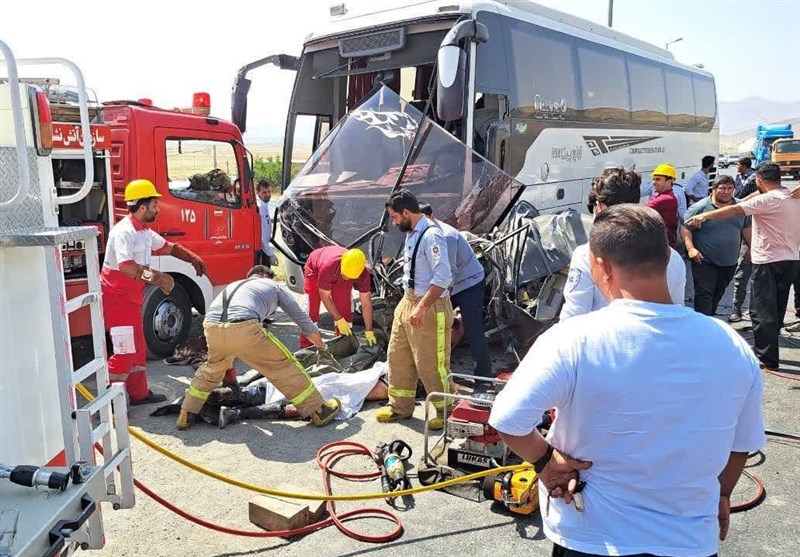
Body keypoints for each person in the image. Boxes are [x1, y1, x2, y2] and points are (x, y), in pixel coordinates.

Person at [490, 204, 765, 557]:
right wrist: (722, 495)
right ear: (667, 259)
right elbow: (741, 443)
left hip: (591, 536)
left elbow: (508, 419)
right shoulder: (731, 345)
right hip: (688, 540)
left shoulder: (573, 339)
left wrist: (546, 462)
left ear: (602, 267)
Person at [176, 265, 341, 429]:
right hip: (244, 326)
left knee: (211, 370)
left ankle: (186, 413)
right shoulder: (273, 286)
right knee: (283, 366)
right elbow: (302, 319)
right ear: (265, 276)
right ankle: (319, 410)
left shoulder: (232, 286)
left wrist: (231, 381)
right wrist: (322, 347)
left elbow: (229, 343)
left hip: (211, 328)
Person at [686, 163, 800, 372]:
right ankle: (769, 352)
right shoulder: (793, 196)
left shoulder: (766, 200)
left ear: (759, 180)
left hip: (768, 261)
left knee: (761, 311)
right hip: (791, 260)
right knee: (776, 309)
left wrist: (705, 215)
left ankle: (766, 358)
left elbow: (736, 209)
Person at [102, 179, 206, 405]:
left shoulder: (144, 232)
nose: (158, 208)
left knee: (138, 350)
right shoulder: (124, 232)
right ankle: (112, 401)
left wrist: (192, 258)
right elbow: (127, 268)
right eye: (154, 204)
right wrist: (158, 278)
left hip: (132, 298)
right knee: (124, 352)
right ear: (142, 207)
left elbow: (168, 247)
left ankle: (138, 394)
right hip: (118, 299)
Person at [560, 167, 685, 320]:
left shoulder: (587, 254)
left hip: (602, 342)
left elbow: (573, 315)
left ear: (600, 207)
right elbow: (677, 311)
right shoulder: (673, 256)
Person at [376, 189, 454, 430]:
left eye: (395, 217)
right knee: (398, 356)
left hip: (430, 306)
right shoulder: (412, 232)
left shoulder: (432, 236)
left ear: (406, 212)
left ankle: (444, 410)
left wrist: (421, 307)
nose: (394, 222)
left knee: (431, 362)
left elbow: (443, 277)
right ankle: (400, 406)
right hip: (409, 300)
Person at [420, 203, 492, 377]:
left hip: (469, 283)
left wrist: (431, 302)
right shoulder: (422, 235)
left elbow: (447, 276)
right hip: (448, 283)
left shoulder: (447, 236)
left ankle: (484, 379)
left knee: (473, 328)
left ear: (430, 217)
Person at [681, 175, 752, 316]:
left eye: (730, 188)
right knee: (704, 295)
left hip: (729, 262)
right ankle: (703, 328)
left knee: (717, 294)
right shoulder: (699, 208)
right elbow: (685, 228)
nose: (726, 192)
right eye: (722, 188)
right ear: (713, 190)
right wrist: (691, 249)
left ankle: (710, 320)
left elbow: (746, 228)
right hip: (704, 262)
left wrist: (751, 247)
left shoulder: (739, 207)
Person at [300, 246, 376, 349]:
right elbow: (325, 296)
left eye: (350, 277)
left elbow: (366, 302)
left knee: (345, 311)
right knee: (311, 312)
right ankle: (307, 348)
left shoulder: (363, 272)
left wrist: (369, 330)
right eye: (345, 275)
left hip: (336, 272)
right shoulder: (328, 265)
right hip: (315, 271)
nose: (346, 278)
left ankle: (343, 345)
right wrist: (338, 319)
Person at [729, 157, 758, 322]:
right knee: (741, 276)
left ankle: (756, 310)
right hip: (750, 238)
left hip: (765, 246)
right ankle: (736, 308)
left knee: (760, 280)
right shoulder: (741, 180)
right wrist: (749, 246)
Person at [645, 164, 679, 249]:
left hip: (664, 246)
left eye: (658, 179)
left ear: (669, 181)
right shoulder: (664, 196)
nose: (654, 182)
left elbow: (640, 211)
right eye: (653, 179)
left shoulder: (665, 198)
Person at [255, 179, 278, 268]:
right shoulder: (260, 208)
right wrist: (270, 254)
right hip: (263, 250)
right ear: (257, 193)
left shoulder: (264, 205)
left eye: (269, 191)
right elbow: (262, 236)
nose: (268, 195)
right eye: (264, 192)